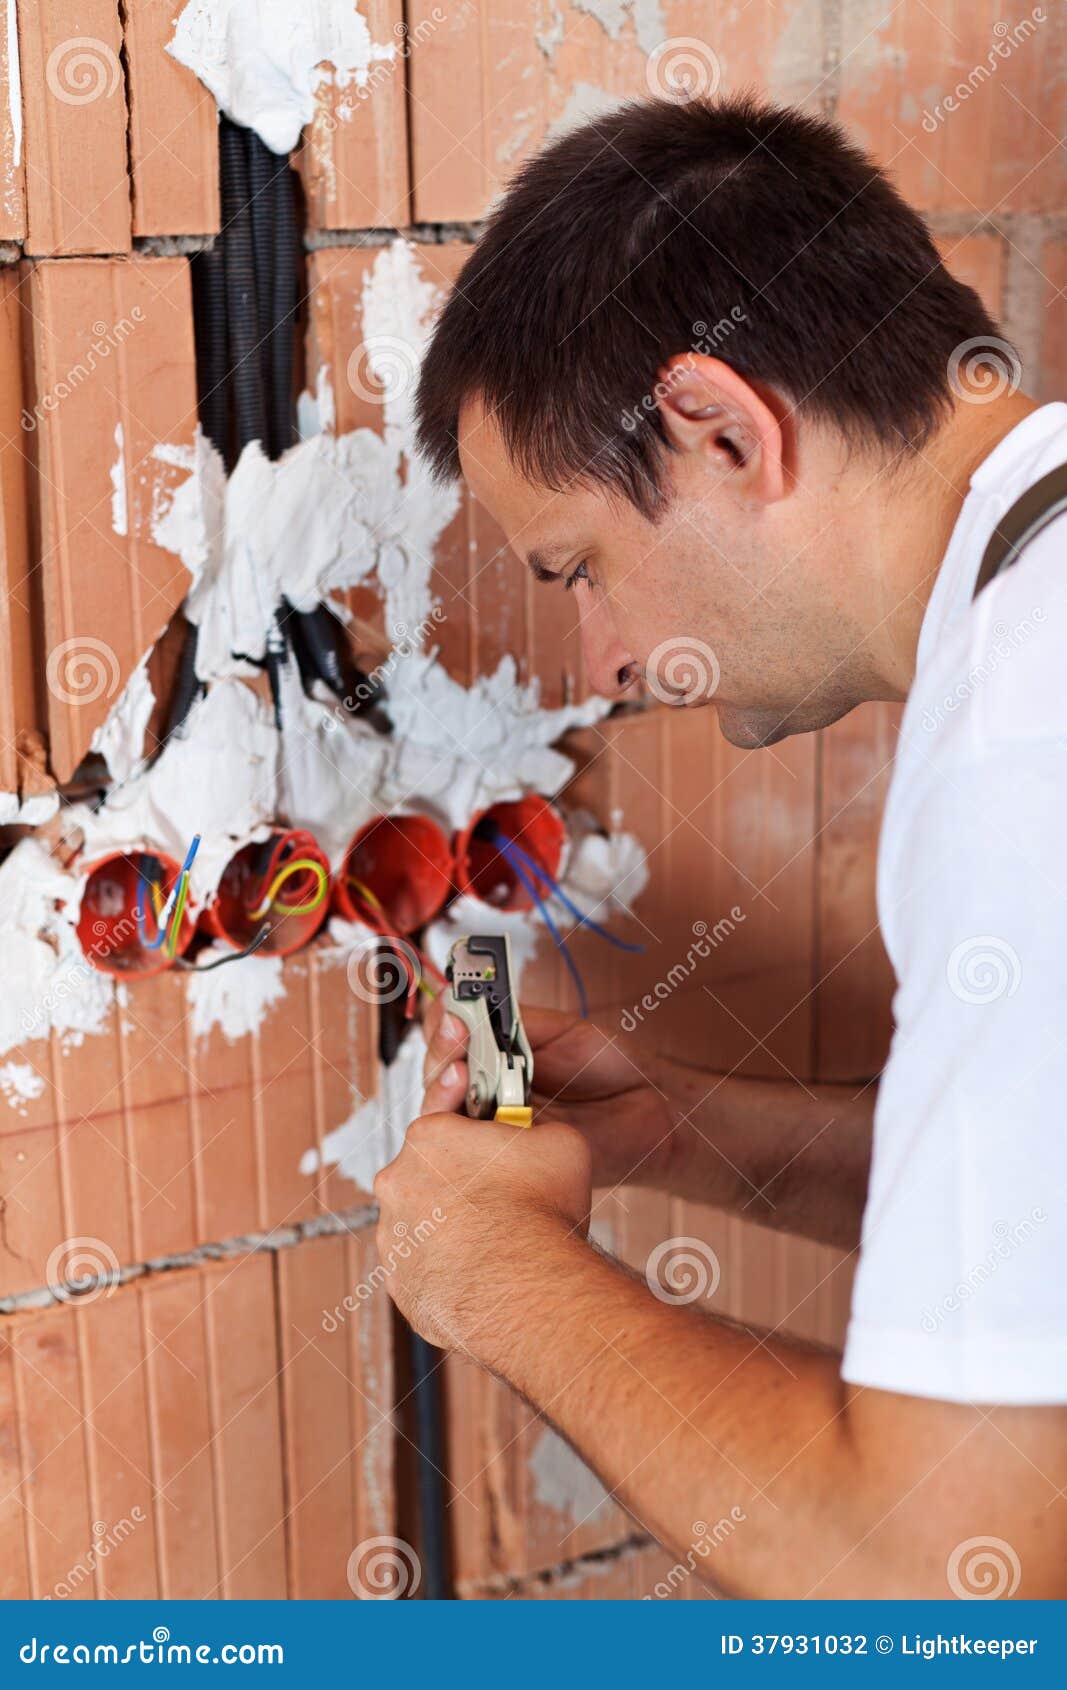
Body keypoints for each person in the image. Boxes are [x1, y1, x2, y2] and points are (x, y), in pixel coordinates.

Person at [372, 95, 1067, 1597]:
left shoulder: (1029, 730)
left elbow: (945, 1570)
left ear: (723, 429)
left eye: (583, 569)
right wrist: (696, 1134)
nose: (599, 656)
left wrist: (502, 1274)